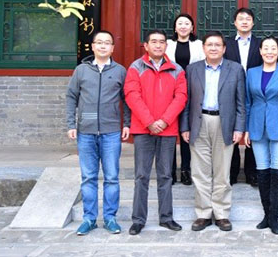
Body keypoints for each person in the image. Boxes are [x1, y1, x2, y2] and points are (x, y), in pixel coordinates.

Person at [179, 31, 246, 232]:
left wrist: (239, 127)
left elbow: (241, 102)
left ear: (224, 49)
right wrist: (185, 126)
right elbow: (186, 101)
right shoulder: (192, 69)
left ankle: (222, 213)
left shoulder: (235, 69)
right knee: (200, 171)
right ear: (204, 48)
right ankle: (203, 213)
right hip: (199, 122)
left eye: (218, 45)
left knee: (222, 171)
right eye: (210, 45)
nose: (214, 48)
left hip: (224, 123)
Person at [66, 30, 130, 236]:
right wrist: (71, 124)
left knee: (111, 177)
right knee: (88, 177)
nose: (103, 46)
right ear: (92, 46)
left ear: (112, 48)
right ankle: (89, 219)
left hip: (111, 131)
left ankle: (110, 218)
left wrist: (127, 124)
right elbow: (71, 97)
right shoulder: (81, 70)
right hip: (86, 131)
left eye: (107, 43)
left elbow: (127, 100)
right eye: (99, 42)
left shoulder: (120, 71)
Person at [124, 29, 188, 235]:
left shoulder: (177, 69)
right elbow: (132, 95)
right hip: (143, 130)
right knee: (141, 175)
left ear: (166, 46)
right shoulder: (136, 67)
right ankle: (138, 220)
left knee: (165, 175)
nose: (158, 45)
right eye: (154, 42)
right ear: (146, 45)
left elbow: (181, 97)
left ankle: (166, 217)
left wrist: (164, 121)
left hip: (167, 130)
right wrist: (150, 122)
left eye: (162, 42)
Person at [245, 36, 278, 235]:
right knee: (262, 172)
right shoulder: (251, 73)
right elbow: (248, 103)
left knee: (277, 173)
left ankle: (274, 217)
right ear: (260, 51)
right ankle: (266, 215)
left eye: (273, 48)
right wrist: (247, 129)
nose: (269, 52)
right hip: (257, 127)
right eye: (265, 48)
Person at [165, 13, 205, 186]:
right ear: (175, 27)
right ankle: (170, 170)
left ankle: (186, 170)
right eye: (180, 23)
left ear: (192, 27)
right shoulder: (167, 44)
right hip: (170, 92)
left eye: (186, 23)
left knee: (188, 132)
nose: (183, 26)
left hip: (192, 91)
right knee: (170, 131)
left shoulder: (199, 45)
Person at [225, 8, 262, 186]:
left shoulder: (260, 44)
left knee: (252, 130)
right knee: (231, 129)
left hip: (255, 91)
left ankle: (251, 172)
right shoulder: (227, 44)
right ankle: (231, 172)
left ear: (253, 22)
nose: (245, 22)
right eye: (241, 19)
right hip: (231, 91)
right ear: (235, 22)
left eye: (248, 19)